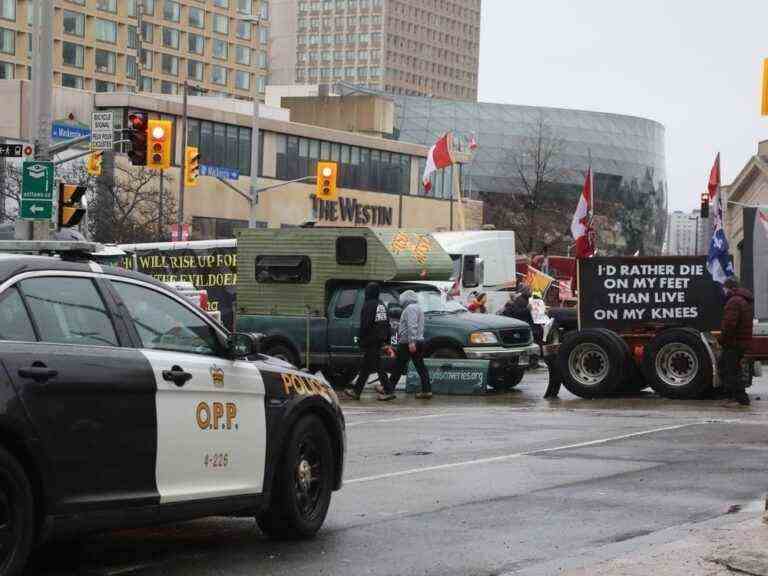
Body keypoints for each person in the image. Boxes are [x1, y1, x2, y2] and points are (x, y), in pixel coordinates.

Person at [344, 283, 392, 401]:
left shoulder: (368, 305)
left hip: (371, 340)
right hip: (379, 339)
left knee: (378, 366)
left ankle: (388, 391)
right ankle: (357, 391)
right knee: (367, 366)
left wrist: (361, 339)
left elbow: (365, 324)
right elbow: (386, 323)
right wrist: (386, 340)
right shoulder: (381, 305)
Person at [385, 290, 432, 399]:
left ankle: (389, 390)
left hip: (408, 343)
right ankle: (427, 390)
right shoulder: (417, 307)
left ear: (406, 299)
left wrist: (411, 342)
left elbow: (412, 325)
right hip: (416, 341)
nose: (400, 301)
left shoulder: (411, 308)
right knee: (420, 367)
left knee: (398, 366)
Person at [719, 277, 754, 406]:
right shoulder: (743, 300)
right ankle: (735, 396)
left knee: (729, 370)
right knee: (730, 368)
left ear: (729, 288)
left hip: (734, 342)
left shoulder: (733, 302)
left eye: (724, 288)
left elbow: (729, 325)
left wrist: (722, 339)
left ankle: (739, 398)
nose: (723, 290)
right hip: (741, 341)